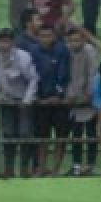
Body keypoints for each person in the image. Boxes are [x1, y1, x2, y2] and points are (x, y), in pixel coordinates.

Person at [0, 27, 41, 177]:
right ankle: (9, 168)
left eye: (7, 41)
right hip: (6, 99)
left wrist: (27, 100)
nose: (3, 45)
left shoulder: (24, 58)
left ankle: (24, 168)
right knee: (8, 133)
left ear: (13, 42)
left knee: (25, 133)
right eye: (0, 42)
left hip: (24, 99)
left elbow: (33, 79)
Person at [27, 22, 72, 175]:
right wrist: (38, 97)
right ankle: (41, 167)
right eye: (42, 36)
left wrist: (58, 95)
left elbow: (64, 74)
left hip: (59, 101)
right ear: (37, 37)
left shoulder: (62, 50)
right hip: (40, 100)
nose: (45, 39)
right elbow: (32, 75)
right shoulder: (33, 51)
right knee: (42, 136)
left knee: (61, 136)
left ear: (54, 36)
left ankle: (56, 169)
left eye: (48, 36)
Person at [65, 26, 101, 175]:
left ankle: (91, 165)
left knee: (91, 132)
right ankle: (76, 166)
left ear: (83, 39)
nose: (74, 43)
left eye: (77, 40)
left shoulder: (89, 51)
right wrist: (69, 95)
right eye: (71, 40)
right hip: (73, 98)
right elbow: (66, 75)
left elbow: (92, 74)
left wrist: (89, 94)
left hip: (89, 98)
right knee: (76, 134)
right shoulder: (66, 51)